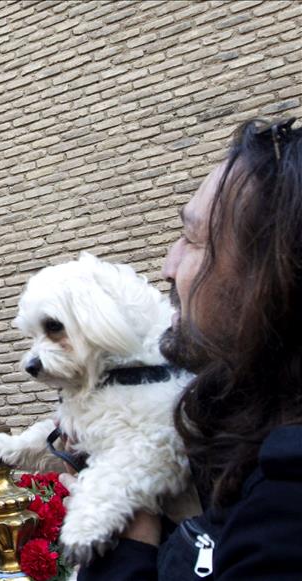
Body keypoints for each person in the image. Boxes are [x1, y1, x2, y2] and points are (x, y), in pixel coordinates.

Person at [77, 117, 302, 579]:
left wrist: (125, 550)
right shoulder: (251, 432)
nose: (168, 266)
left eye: (193, 239)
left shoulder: (286, 504)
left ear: (273, 278)